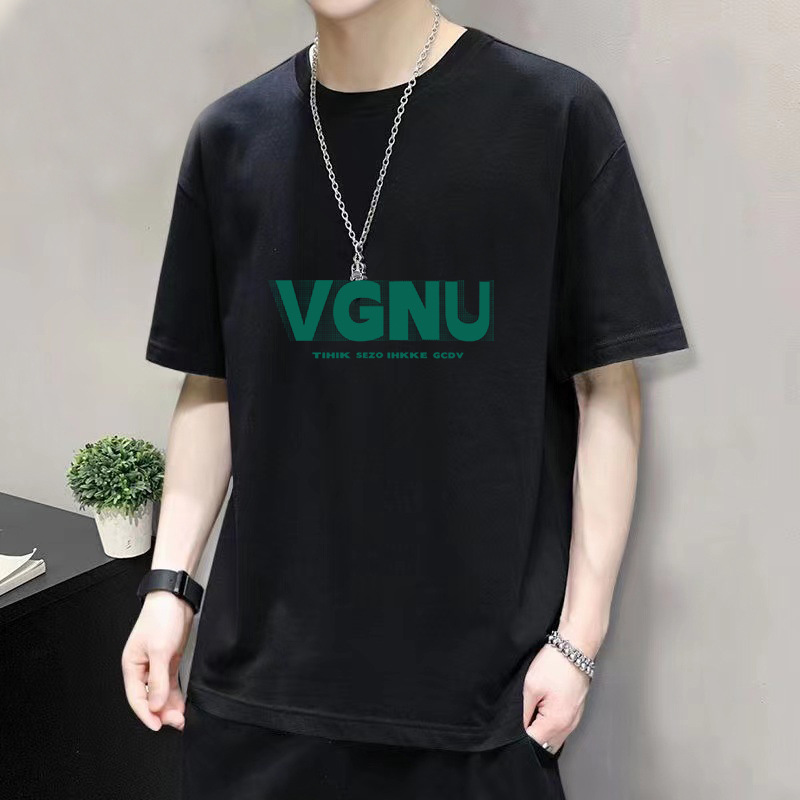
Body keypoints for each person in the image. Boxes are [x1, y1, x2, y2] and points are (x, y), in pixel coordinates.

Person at [122, 1, 689, 797]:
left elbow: (607, 387)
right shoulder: (230, 138)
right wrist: (169, 586)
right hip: (258, 702)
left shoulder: (553, 117)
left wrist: (579, 641)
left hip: (479, 711)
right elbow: (213, 383)